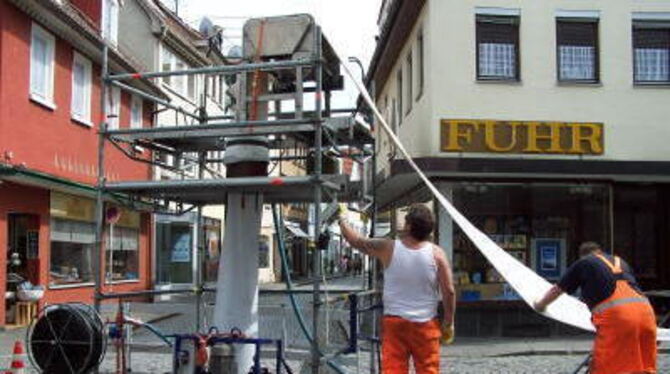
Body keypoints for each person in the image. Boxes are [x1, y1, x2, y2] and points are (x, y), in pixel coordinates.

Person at [338, 203, 455, 374]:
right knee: (428, 369)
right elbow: (449, 291)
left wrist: (342, 219)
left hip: (395, 323)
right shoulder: (437, 254)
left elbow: (357, 241)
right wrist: (448, 322)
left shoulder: (388, 247)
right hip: (426, 324)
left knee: (393, 370)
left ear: (408, 226)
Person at [534, 241, 656, 374]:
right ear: (600, 252)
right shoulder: (620, 261)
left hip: (618, 319)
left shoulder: (584, 263)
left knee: (605, 367)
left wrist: (540, 305)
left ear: (582, 255)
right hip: (647, 315)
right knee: (641, 367)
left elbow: (557, 290)